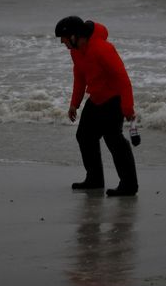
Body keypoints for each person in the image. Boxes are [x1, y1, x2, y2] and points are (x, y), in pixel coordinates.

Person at [55, 16, 139, 197]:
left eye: (64, 39)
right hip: (96, 98)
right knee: (84, 136)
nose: (63, 43)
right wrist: (74, 104)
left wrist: (127, 108)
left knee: (113, 139)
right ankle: (94, 179)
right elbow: (80, 77)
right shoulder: (76, 51)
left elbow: (123, 80)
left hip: (114, 98)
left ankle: (129, 185)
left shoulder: (102, 49)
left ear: (75, 36)